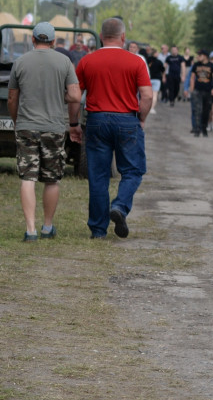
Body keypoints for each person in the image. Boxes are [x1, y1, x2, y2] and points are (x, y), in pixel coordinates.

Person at [75, 17, 153, 239]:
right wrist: (141, 118)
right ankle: (119, 205)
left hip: (97, 119)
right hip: (127, 119)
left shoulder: (87, 61)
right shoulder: (136, 61)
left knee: (98, 175)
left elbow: (74, 97)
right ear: (123, 37)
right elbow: (147, 95)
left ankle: (98, 230)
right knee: (133, 170)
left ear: (100, 37)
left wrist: (73, 124)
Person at [8, 22, 82, 241]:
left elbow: (12, 98)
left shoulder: (20, 62)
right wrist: (61, 97)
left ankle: (30, 230)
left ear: (32, 40)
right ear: (52, 41)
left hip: (27, 126)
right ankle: (47, 227)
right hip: (54, 127)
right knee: (52, 180)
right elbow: (76, 96)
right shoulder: (64, 61)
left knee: (27, 177)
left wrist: (17, 120)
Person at [186, 50, 213, 136]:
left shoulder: (211, 65)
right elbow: (192, 77)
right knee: (197, 110)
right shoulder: (196, 65)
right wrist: (191, 89)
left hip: (207, 91)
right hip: (197, 90)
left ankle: (204, 128)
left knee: (206, 111)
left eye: (200, 55)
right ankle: (197, 129)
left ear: (205, 56)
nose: (198, 56)